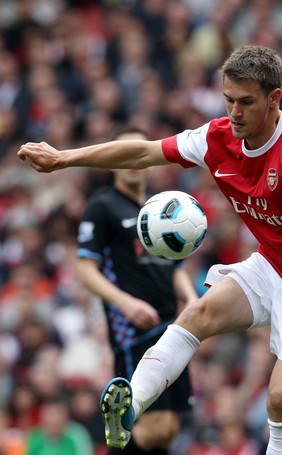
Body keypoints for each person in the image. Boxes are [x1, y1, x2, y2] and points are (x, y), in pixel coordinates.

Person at [17, 45, 282, 455]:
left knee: (281, 399)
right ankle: (131, 407)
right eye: (228, 100)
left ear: (274, 98)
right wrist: (64, 158)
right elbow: (143, 152)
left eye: (246, 102)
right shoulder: (216, 138)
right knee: (196, 314)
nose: (234, 112)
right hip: (274, 266)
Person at [74, 125, 198, 455]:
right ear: (111, 161)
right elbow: (85, 269)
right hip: (134, 329)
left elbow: (175, 266)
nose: (130, 161)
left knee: (168, 428)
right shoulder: (102, 206)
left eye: (136, 153)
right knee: (149, 425)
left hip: (173, 328)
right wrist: (126, 303)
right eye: (122, 154)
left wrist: (191, 299)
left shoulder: (161, 209)